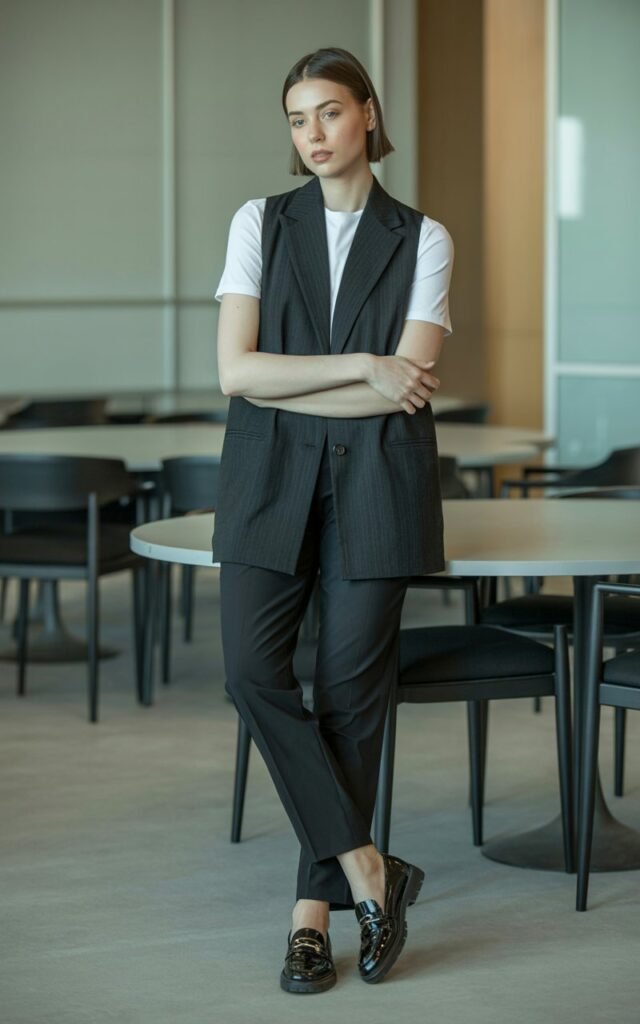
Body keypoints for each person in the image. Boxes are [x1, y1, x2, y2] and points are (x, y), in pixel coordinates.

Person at [213, 46, 454, 994]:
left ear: (367, 115)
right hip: (267, 485)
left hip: (378, 489)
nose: (311, 135)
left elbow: (413, 388)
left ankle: (310, 920)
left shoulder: (423, 236)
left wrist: (304, 382)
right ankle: (369, 869)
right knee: (249, 673)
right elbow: (236, 372)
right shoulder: (259, 223)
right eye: (295, 119)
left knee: (351, 705)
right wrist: (362, 366)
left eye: (328, 114)